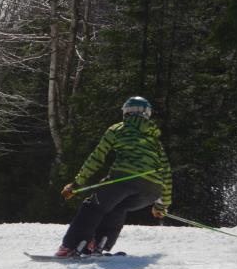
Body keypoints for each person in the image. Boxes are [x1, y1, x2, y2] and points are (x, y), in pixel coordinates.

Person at [55, 96, 172, 257]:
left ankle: (70, 246)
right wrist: (162, 205)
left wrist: (76, 184)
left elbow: (97, 157)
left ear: (126, 113)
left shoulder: (118, 129)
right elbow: (166, 173)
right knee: (117, 207)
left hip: (123, 178)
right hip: (152, 189)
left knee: (93, 206)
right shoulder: (155, 140)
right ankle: (98, 244)